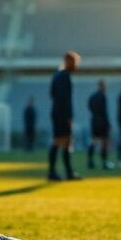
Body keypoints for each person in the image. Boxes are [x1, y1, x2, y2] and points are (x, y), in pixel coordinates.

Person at [47, 51, 81, 181]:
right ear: (67, 61)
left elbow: (52, 94)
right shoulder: (64, 76)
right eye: (74, 62)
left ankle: (68, 172)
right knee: (60, 141)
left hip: (57, 113)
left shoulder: (57, 74)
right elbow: (64, 99)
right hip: (61, 114)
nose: (76, 65)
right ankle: (52, 172)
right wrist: (68, 117)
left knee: (66, 142)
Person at [87, 80, 113, 170]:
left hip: (94, 121)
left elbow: (89, 107)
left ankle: (90, 161)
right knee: (104, 142)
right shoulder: (102, 96)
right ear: (102, 86)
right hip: (102, 122)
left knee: (94, 141)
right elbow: (104, 111)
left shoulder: (92, 97)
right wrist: (108, 123)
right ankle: (104, 162)